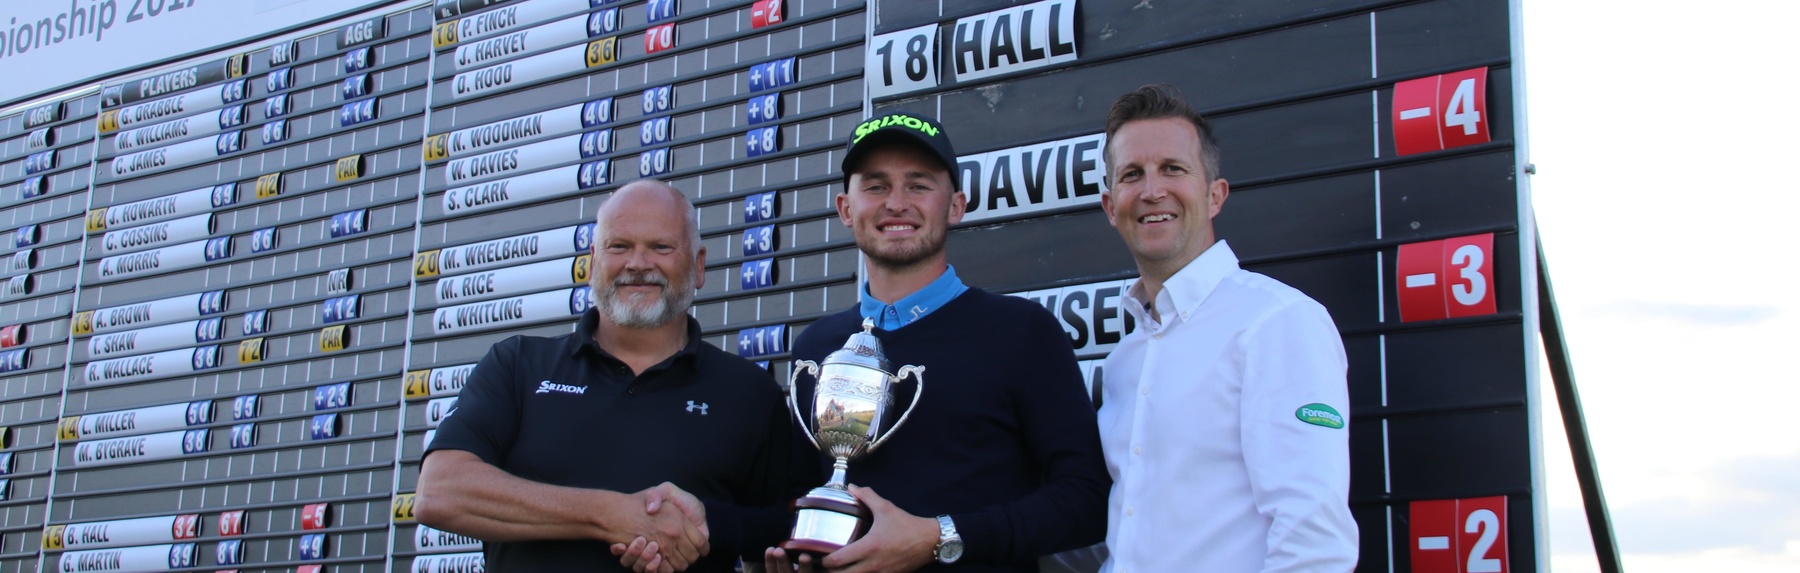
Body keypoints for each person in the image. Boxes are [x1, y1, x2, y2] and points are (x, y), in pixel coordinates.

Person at [761, 111, 1112, 573]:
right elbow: (799, 497)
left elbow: (1087, 502)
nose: (897, 203)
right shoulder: (816, 348)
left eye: (919, 185)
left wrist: (941, 537)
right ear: (846, 208)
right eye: (876, 185)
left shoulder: (1023, 332)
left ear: (956, 205)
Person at [416, 180, 806, 572]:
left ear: (698, 265)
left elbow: (780, 535)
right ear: (592, 262)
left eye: (661, 247)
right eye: (619, 246)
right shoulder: (518, 365)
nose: (637, 264)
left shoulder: (750, 394)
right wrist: (613, 514)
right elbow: (440, 492)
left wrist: (706, 523)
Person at [1095, 84, 1359, 572]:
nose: (1153, 190)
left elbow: (1314, 541)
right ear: (1112, 207)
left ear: (1215, 195)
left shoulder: (1276, 323)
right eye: (1133, 174)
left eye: (1173, 169)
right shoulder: (1123, 362)